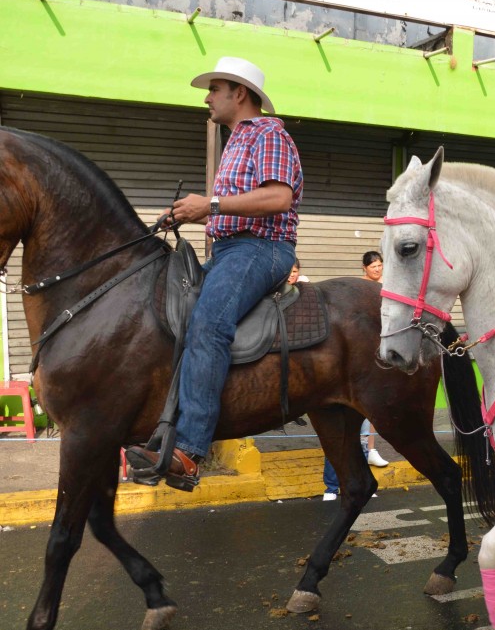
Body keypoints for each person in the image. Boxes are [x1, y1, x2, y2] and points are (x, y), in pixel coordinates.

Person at [126, 56, 303, 490]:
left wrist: (211, 205)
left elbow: (278, 197)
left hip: (261, 248)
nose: (207, 98)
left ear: (238, 94)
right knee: (174, 314)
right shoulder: (237, 140)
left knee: (209, 323)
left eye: (214, 89)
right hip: (227, 250)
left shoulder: (269, 135)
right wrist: (187, 214)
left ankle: (188, 453)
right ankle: (164, 426)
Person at [323, 251, 389, 500]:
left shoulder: (387, 287)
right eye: (374, 265)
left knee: (363, 423)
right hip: (355, 368)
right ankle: (331, 485)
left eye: (380, 265)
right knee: (340, 432)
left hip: (375, 360)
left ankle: (367, 461)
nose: (378, 269)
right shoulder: (359, 293)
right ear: (364, 268)